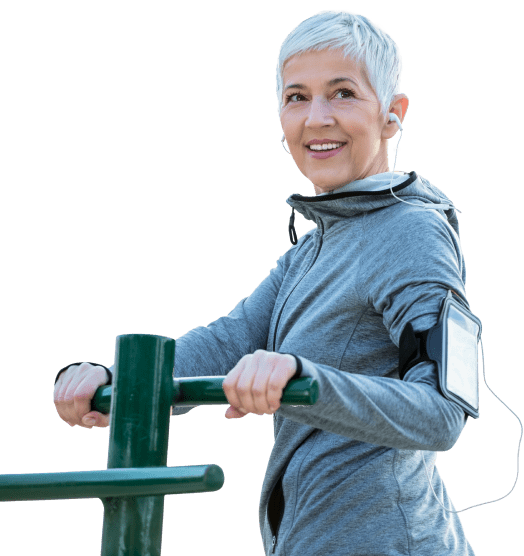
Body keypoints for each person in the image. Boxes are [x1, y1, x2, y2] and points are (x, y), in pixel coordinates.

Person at [52, 9, 476, 555]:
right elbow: (224, 345)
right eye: (297, 97)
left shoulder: (412, 232)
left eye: (342, 93)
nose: (316, 118)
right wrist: (113, 385)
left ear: (392, 113)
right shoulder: (310, 252)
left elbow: (441, 413)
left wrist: (303, 379)